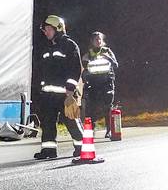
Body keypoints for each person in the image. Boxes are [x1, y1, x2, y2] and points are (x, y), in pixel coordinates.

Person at [34, 15, 84, 159]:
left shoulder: (69, 45)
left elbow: (75, 69)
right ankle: (48, 150)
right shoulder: (46, 47)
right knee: (48, 123)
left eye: (49, 29)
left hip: (64, 94)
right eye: (45, 30)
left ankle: (82, 147)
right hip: (48, 95)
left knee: (71, 121)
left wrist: (70, 89)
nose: (46, 32)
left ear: (58, 29)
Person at [82, 31, 118, 138]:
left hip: (107, 83)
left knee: (107, 107)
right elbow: (84, 69)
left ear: (102, 41)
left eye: (99, 39)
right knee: (91, 107)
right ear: (92, 42)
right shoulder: (88, 54)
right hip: (93, 84)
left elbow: (116, 65)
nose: (98, 41)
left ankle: (109, 130)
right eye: (96, 39)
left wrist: (108, 58)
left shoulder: (107, 51)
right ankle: (91, 130)